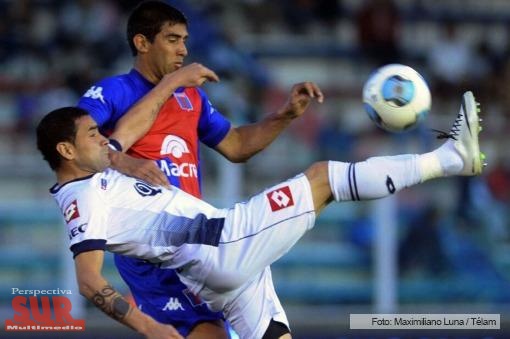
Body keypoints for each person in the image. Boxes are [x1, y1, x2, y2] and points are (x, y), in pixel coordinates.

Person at [37, 90, 484, 338]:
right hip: (222, 244)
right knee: (323, 178)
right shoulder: (83, 199)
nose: (105, 139)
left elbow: (129, 128)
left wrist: (176, 81)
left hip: (219, 275)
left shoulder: (97, 167)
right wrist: (149, 327)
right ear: (66, 150)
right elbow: (88, 279)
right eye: (94, 134)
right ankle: (451, 160)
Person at [76, 1, 323, 337]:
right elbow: (77, 144)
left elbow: (235, 145)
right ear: (142, 43)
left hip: (201, 243)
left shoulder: (190, 97)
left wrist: (285, 115)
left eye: (185, 40)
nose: (184, 50)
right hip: (152, 251)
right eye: (173, 39)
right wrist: (126, 161)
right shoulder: (112, 92)